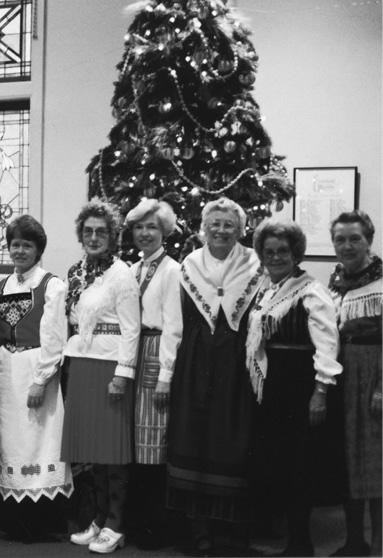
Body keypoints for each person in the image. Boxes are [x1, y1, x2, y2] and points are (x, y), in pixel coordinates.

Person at [166, 197, 265, 555]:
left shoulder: (256, 264)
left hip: (237, 362)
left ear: (241, 230)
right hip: (196, 361)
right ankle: (200, 528)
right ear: (203, 228)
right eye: (215, 223)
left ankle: (236, 528)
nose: (221, 230)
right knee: (196, 437)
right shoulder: (189, 264)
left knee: (234, 440)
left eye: (229, 225)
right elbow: (175, 323)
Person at [246, 218, 343, 557]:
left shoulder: (310, 290)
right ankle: (280, 534)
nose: (275, 257)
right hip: (269, 388)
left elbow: (327, 345)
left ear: (296, 253)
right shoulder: (265, 287)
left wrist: (320, 392)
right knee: (274, 462)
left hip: (298, 386)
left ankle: (301, 543)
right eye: (269, 251)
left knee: (297, 467)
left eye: (282, 251)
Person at [62, 200, 141, 554]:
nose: (94, 237)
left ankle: (116, 523)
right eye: (88, 231)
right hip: (81, 363)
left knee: (112, 451)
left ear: (112, 236)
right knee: (92, 450)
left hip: (109, 367)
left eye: (101, 231)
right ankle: (96, 518)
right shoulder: (76, 271)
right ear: (81, 235)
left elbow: (132, 329)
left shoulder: (121, 273)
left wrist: (123, 375)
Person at [0, 214, 73, 542]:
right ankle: (15, 518)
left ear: (39, 249)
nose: (20, 251)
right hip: (7, 369)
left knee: (40, 441)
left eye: (27, 245)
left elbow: (54, 335)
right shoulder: (2, 285)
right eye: (15, 245)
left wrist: (41, 379)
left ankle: (39, 521)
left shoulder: (51, 284)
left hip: (36, 366)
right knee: (11, 443)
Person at [123, 199, 182, 550]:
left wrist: (165, 375)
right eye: (139, 227)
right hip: (134, 351)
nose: (145, 233)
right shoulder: (133, 269)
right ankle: (136, 521)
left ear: (164, 231)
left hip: (156, 352)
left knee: (153, 447)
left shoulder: (171, 270)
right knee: (135, 444)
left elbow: (174, 326)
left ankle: (154, 527)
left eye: (151, 227)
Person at [327, 210, 381, 557]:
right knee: (347, 460)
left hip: (373, 377)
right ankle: (353, 541)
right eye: (340, 239)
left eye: (354, 239)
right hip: (342, 377)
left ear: (369, 241)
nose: (347, 246)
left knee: (374, 462)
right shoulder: (334, 282)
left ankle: (379, 544)